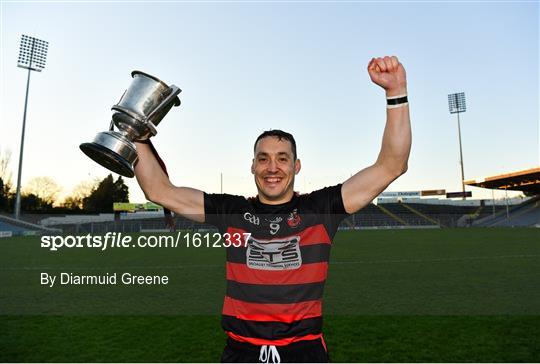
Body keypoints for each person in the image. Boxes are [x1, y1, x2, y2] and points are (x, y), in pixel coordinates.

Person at [134, 55, 411, 363]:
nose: (272, 167)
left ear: (296, 166)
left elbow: (392, 165)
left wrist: (395, 91)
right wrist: (138, 136)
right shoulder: (231, 211)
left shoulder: (321, 209)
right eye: (263, 158)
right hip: (241, 353)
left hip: (304, 353)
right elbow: (159, 190)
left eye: (282, 158)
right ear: (252, 166)